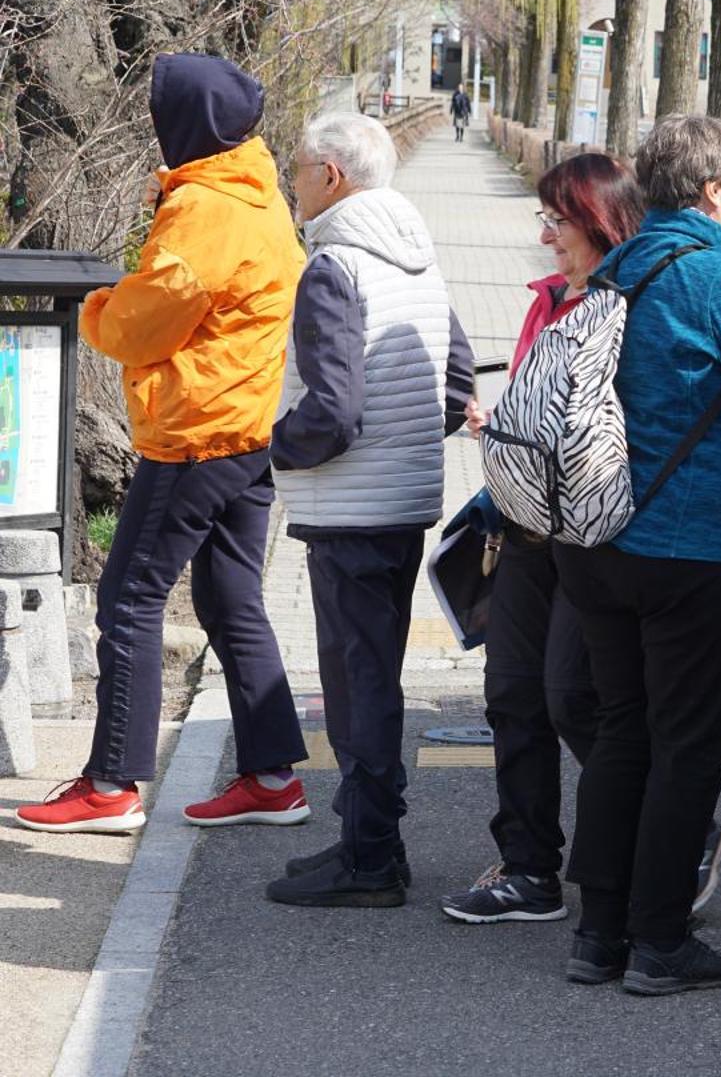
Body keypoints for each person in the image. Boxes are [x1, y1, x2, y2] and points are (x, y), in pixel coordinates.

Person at [554, 115, 721, 996]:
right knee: (690, 745)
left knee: (625, 731)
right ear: (714, 192)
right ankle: (661, 940)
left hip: (602, 542)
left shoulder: (616, 269)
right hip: (699, 547)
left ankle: (600, 936)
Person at [16, 55, 311, 835]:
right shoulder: (256, 191)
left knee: (130, 599)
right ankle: (271, 775)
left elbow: (145, 321)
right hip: (247, 427)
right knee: (231, 599)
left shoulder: (204, 208)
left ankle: (111, 783)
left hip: (193, 433)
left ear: (185, 123)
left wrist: (99, 308)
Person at [263, 112, 473, 908]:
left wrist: (273, 443)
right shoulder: (417, 255)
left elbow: (334, 411)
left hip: (351, 505)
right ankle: (364, 838)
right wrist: (409, 441)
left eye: (298, 167)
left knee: (358, 683)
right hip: (401, 499)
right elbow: (455, 380)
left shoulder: (334, 265)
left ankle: (373, 857)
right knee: (370, 674)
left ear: (333, 177)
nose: (291, 180)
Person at [440, 154, 646, 925]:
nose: (545, 233)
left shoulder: (629, 301)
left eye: (557, 219)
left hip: (590, 536)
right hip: (524, 523)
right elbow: (538, 401)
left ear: (598, 221)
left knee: (573, 701)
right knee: (511, 697)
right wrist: (502, 425)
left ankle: (670, 828)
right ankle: (527, 869)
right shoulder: (546, 300)